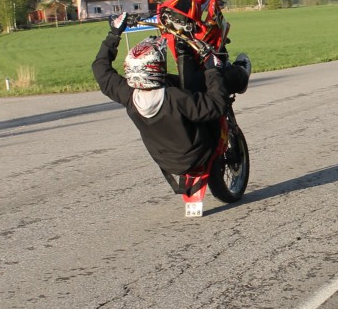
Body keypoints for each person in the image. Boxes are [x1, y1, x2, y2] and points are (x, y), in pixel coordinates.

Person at [93, 13, 250, 194]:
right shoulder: (176, 98)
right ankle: (241, 73)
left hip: (166, 161)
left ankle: (188, 55)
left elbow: (100, 69)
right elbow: (216, 105)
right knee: (219, 83)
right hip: (198, 154)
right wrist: (212, 69)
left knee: (183, 83)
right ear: (156, 67)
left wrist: (114, 34)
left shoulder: (127, 94)